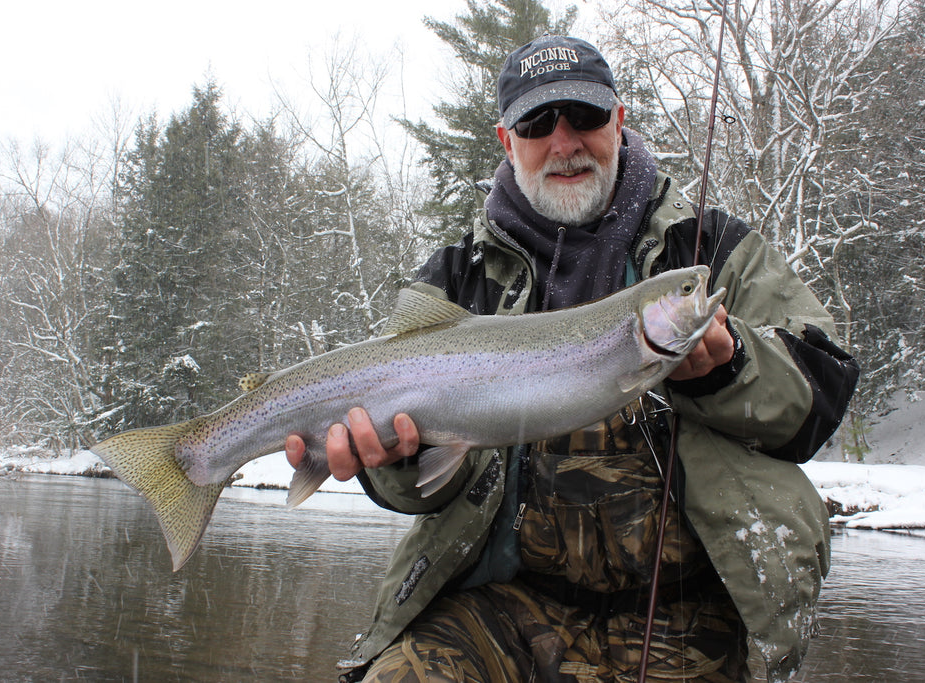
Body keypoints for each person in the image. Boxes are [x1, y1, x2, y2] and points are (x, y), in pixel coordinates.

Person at [286, 35, 858, 683]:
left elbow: (824, 391)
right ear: (508, 141)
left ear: (619, 121)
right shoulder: (455, 281)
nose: (564, 142)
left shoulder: (712, 250)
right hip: (502, 605)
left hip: (683, 613)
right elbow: (415, 493)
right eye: (537, 123)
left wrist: (730, 369)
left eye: (584, 117)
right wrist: (400, 459)